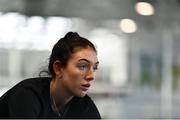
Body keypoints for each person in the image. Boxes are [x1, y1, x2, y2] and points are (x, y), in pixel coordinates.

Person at [0, 32, 101, 119]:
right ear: (58, 68)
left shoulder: (85, 106)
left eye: (94, 68)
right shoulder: (27, 95)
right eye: (83, 66)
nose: (91, 76)